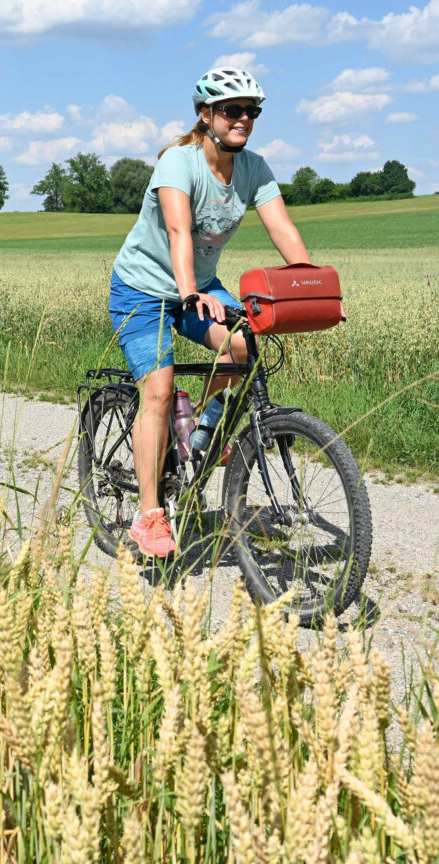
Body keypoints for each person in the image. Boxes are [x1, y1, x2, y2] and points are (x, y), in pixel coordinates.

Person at [107, 66, 314, 558]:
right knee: (156, 389)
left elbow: (282, 228)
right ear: (206, 115)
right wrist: (189, 292)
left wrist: (308, 281)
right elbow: (179, 232)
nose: (243, 118)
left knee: (246, 346)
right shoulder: (178, 163)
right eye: (232, 110)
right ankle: (150, 516)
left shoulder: (254, 168)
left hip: (199, 286)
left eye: (251, 111)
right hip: (143, 289)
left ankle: (200, 428)